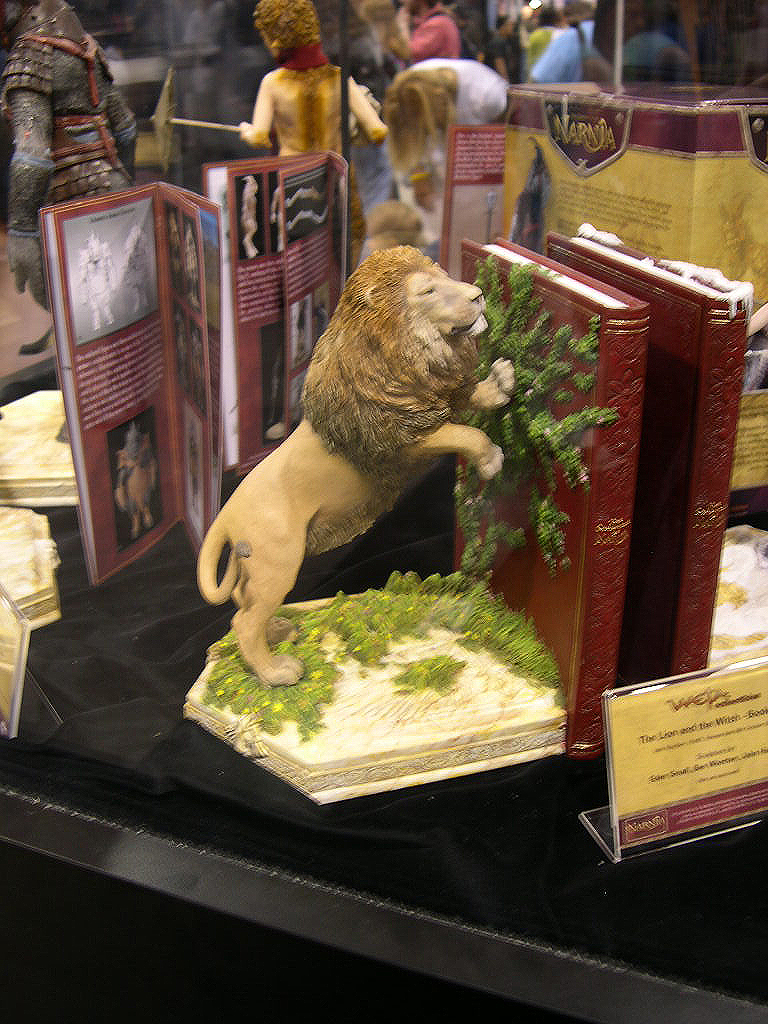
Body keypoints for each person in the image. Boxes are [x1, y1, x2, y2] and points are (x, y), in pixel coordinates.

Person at [1, 0, 135, 311]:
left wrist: (21, 230)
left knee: (81, 311)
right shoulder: (89, 48)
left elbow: (33, 155)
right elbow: (126, 128)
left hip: (69, 208)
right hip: (117, 187)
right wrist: (125, 182)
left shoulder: (29, 56)